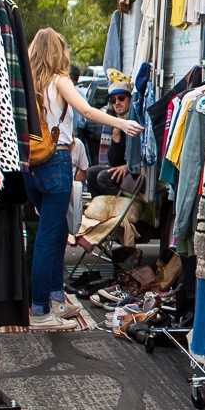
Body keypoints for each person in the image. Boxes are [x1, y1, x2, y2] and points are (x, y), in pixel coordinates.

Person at [26, 29, 141, 328]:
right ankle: (39, 311)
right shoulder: (58, 80)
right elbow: (87, 110)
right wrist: (121, 122)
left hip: (30, 165)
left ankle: (54, 298)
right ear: (57, 51)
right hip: (56, 161)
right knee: (48, 238)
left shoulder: (27, 82)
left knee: (54, 232)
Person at [85, 76, 140, 196]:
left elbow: (145, 152)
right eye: (113, 100)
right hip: (123, 169)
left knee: (103, 177)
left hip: (137, 170)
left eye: (121, 98)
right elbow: (114, 162)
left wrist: (128, 166)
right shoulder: (116, 124)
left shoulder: (136, 120)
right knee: (91, 172)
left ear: (130, 99)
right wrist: (116, 137)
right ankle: (102, 208)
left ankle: (123, 207)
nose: (117, 103)